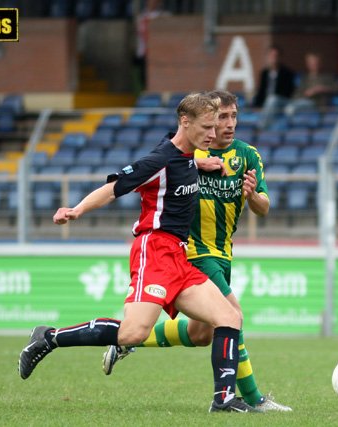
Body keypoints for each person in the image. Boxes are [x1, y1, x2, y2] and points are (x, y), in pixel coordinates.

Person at [17, 92, 260, 413]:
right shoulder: (159, 160)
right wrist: (75, 210)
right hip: (154, 250)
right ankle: (49, 337)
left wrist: (200, 163)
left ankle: (224, 400)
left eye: (216, 127)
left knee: (229, 317)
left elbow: (183, 158)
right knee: (133, 332)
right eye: (207, 127)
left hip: (179, 255)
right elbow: (115, 186)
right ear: (185, 123)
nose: (213, 135)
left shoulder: (188, 154)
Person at [101, 90, 292, 412]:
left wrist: (252, 195)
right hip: (191, 251)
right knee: (233, 317)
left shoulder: (247, 155)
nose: (228, 125)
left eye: (233, 117)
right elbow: (164, 158)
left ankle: (126, 339)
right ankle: (252, 398)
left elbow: (263, 207)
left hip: (223, 252)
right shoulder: (187, 154)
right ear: (206, 121)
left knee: (202, 332)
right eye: (221, 118)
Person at [252, 45, 296, 129]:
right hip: (267, 105)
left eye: (275, 56)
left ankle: (262, 126)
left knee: (272, 99)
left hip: (282, 102)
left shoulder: (287, 73)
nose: (273, 58)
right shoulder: (264, 73)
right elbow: (261, 91)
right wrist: (257, 106)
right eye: (271, 56)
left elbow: (287, 92)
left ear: (280, 57)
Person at [284, 52, 338, 116]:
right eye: (311, 63)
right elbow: (296, 95)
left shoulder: (328, 77)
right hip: (305, 102)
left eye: (316, 62)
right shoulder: (304, 79)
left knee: (291, 108)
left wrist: (323, 88)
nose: (314, 64)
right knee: (288, 106)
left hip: (319, 104)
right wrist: (307, 93)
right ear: (308, 64)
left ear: (320, 63)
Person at [134, 0, 168, 91]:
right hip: (144, 52)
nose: (152, 2)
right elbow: (139, 35)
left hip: (159, 53)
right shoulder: (141, 17)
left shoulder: (164, 16)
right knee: (143, 76)